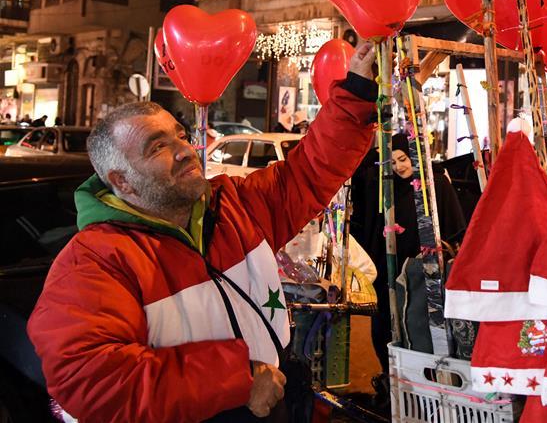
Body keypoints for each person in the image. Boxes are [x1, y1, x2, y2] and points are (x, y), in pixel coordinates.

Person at [26, 44, 378, 422]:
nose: (184, 150)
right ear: (122, 181)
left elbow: (308, 172)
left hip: (273, 399)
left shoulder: (233, 206)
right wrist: (238, 380)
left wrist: (356, 90)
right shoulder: (95, 261)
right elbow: (92, 378)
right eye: (158, 147)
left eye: (180, 135)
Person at [352, 133, 467, 407]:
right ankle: (392, 382)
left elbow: (455, 231)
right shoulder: (386, 190)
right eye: (392, 162)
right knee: (386, 328)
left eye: (403, 159)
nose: (399, 167)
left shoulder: (436, 184)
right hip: (391, 275)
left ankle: (427, 390)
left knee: (423, 331)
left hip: (426, 277)